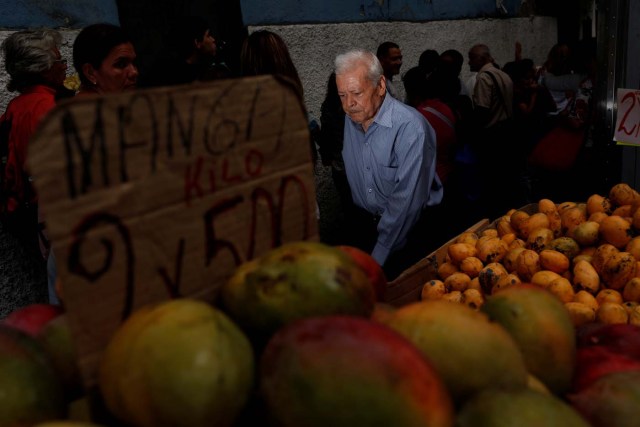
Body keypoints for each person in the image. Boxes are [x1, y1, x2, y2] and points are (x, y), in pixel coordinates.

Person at [335, 49, 442, 280]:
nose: (348, 104)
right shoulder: (353, 115)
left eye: (356, 93)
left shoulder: (410, 127)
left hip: (406, 236)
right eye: (341, 95)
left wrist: (377, 258)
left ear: (381, 86)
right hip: (365, 227)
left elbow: (405, 203)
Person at [0, 29, 69, 314]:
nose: (64, 64)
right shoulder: (45, 107)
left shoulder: (18, 105)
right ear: (42, 69)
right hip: (43, 216)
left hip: (20, 212)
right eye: (57, 60)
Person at [467, 43, 523, 220]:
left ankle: (495, 218)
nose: (469, 62)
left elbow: (482, 111)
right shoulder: (503, 75)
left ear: (482, 58)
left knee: (492, 182)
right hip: (507, 132)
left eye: (471, 58)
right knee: (504, 179)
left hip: (492, 136)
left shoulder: (483, 78)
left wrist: (473, 133)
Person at [141, 16, 228, 87]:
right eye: (208, 35)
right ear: (197, 42)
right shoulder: (174, 76)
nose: (213, 39)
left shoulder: (201, 68)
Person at [72, 23, 139, 95]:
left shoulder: (114, 103)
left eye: (134, 63)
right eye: (121, 64)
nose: (134, 72)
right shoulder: (85, 105)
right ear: (90, 73)